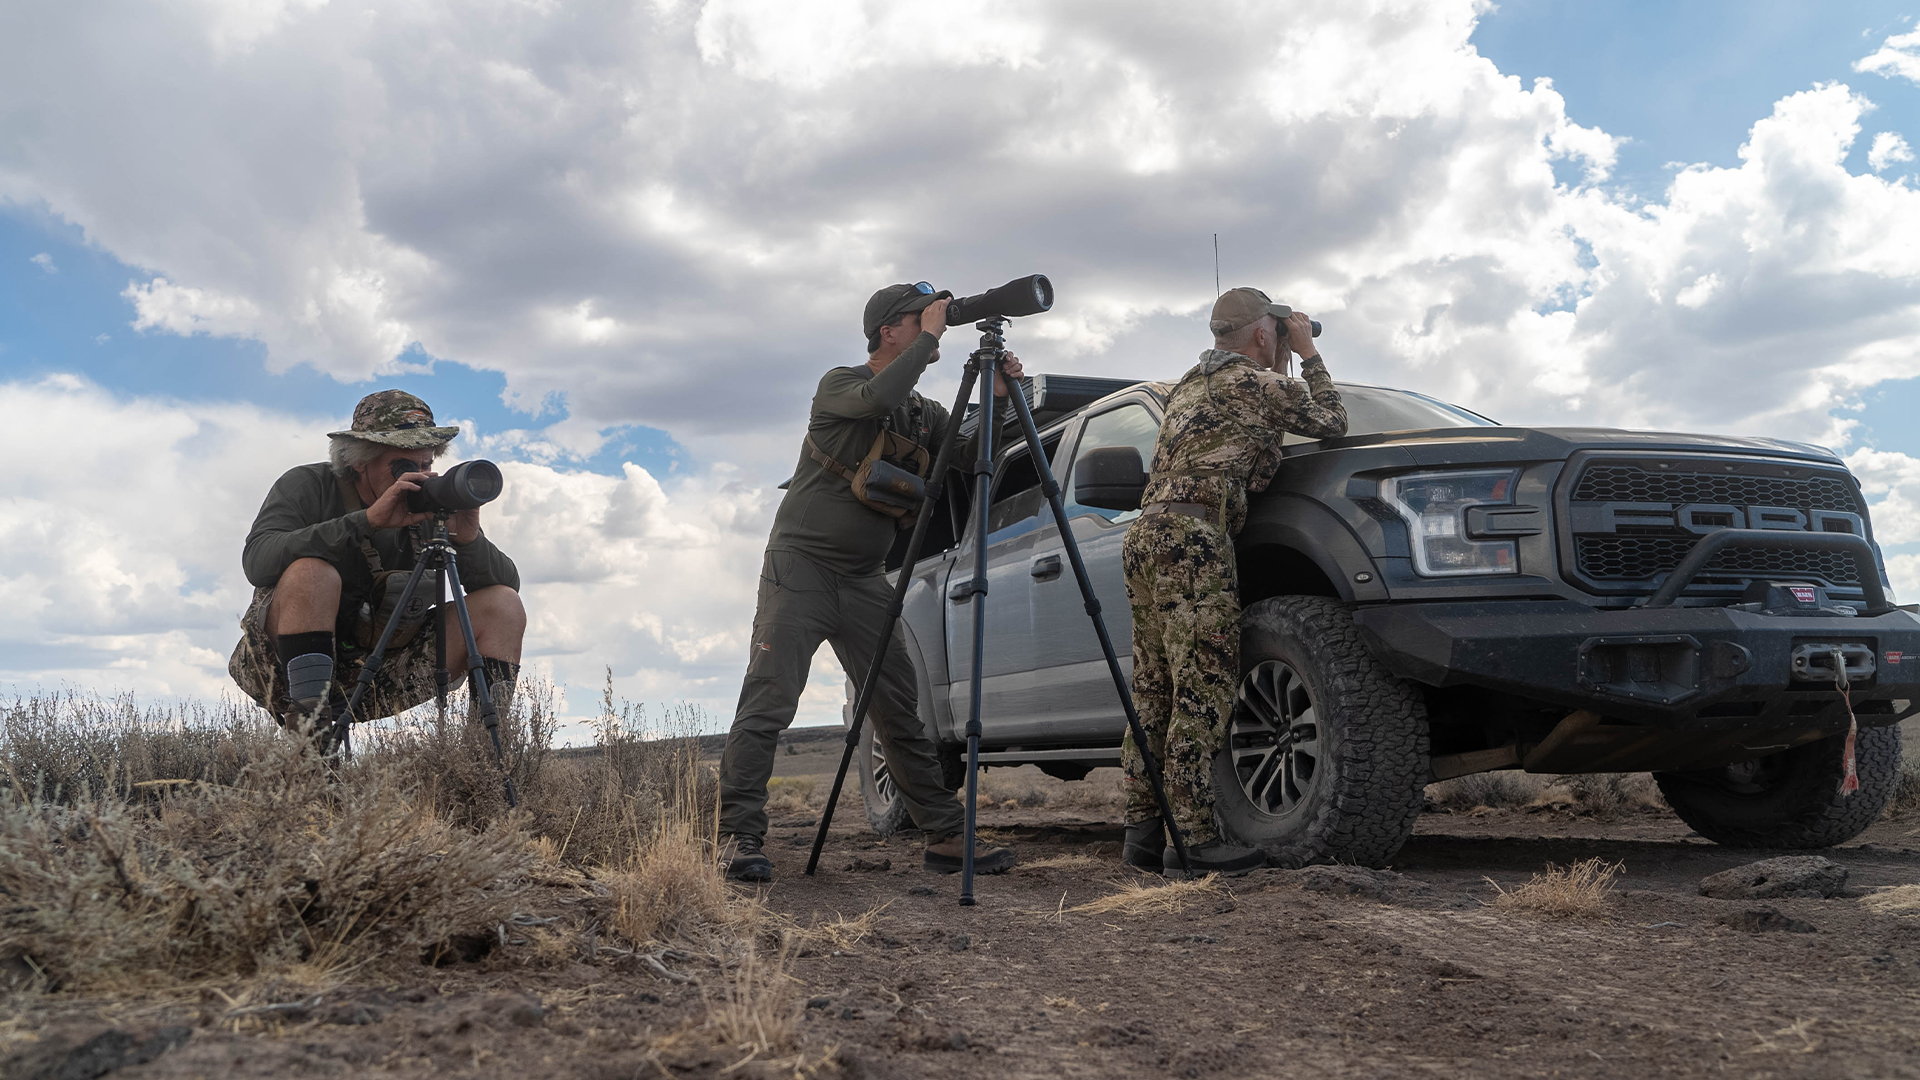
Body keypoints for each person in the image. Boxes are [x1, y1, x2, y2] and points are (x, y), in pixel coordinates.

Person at [718, 282, 1025, 882]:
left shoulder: (925, 414)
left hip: (864, 579)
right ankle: (738, 837)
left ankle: (942, 835)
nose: (932, 325)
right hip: (800, 570)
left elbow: (967, 454)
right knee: (769, 703)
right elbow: (879, 393)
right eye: (920, 319)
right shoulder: (841, 384)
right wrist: (934, 337)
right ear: (890, 330)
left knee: (898, 708)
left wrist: (998, 398)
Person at [1121, 287, 1347, 876]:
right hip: (1194, 541)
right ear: (1262, 334)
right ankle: (1193, 838)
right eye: (1279, 329)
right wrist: (1310, 356)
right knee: (1204, 684)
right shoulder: (1255, 384)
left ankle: (1142, 832)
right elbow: (1332, 422)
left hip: (1149, 538)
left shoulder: (1189, 388)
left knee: (1154, 688)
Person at [229, 390, 526, 747]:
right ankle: (310, 754)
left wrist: (467, 539)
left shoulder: (428, 506)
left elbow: (506, 591)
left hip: (381, 673)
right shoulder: (308, 486)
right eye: (403, 466)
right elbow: (258, 560)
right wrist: (366, 521)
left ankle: (483, 760)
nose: (418, 476)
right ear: (359, 460)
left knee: (503, 604)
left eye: (426, 464)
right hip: (286, 671)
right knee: (311, 574)